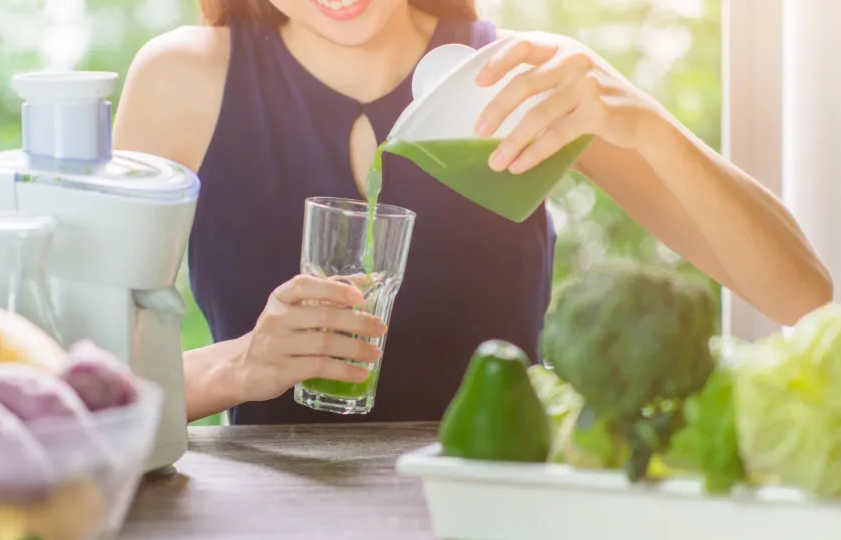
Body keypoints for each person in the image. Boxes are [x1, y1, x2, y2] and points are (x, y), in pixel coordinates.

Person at [112, 0, 832, 425]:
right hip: (269, 516)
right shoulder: (185, 78)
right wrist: (239, 365)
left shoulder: (518, 81)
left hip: (502, 499)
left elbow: (803, 298)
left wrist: (641, 121)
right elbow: (95, 385)